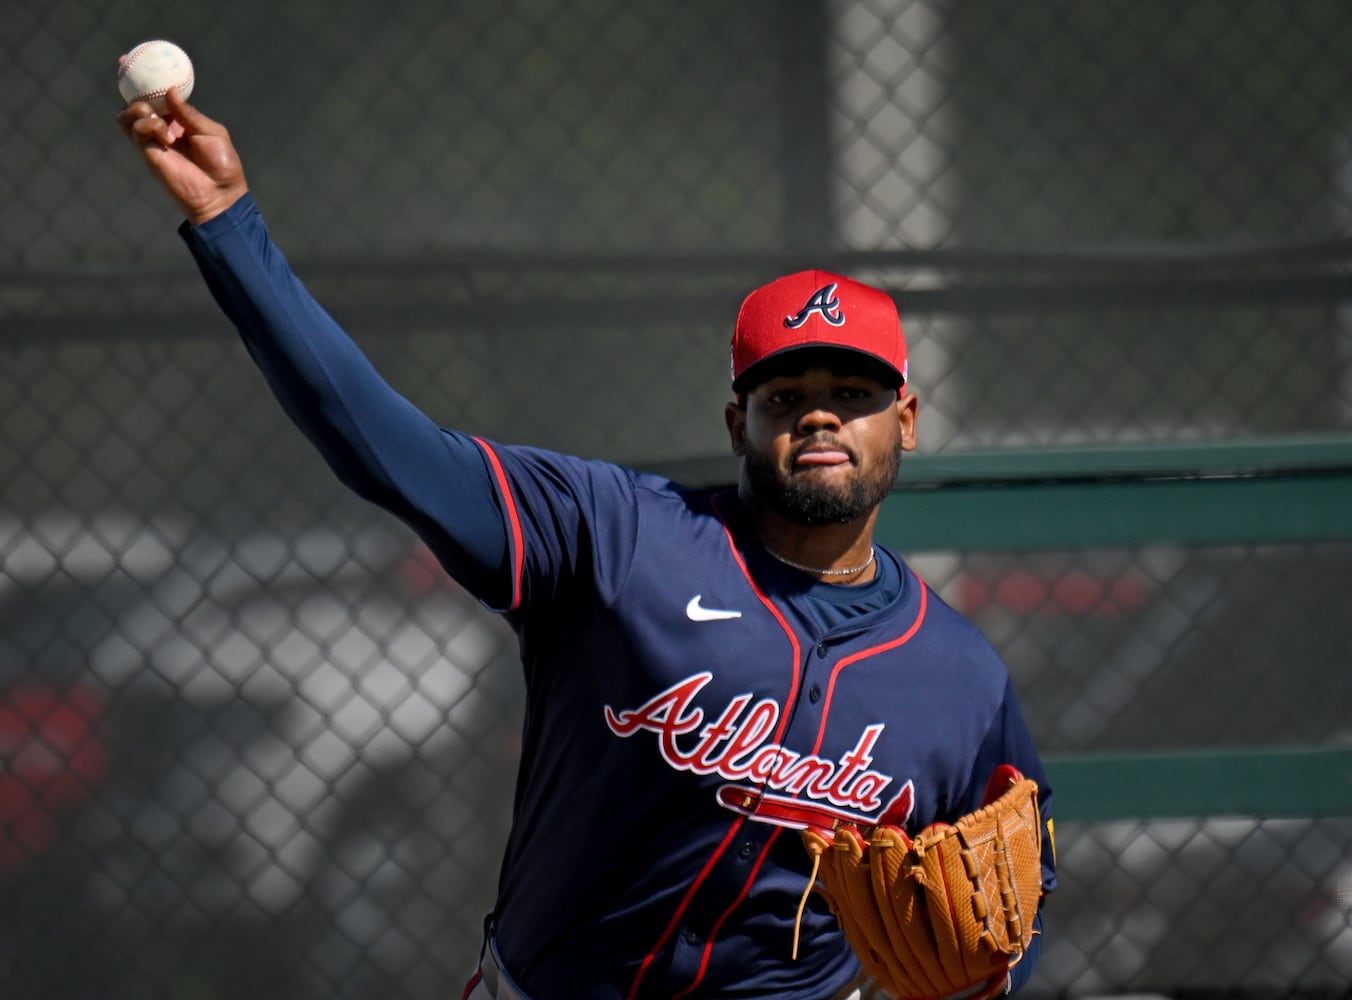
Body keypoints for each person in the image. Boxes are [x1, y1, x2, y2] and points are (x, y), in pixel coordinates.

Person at [118, 87, 1055, 1000]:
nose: (819, 414)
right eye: (785, 395)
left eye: (853, 394)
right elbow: (384, 446)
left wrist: (992, 971)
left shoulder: (960, 678)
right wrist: (230, 224)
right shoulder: (614, 537)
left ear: (909, 419)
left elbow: (1021, 895)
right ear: (738, 423)